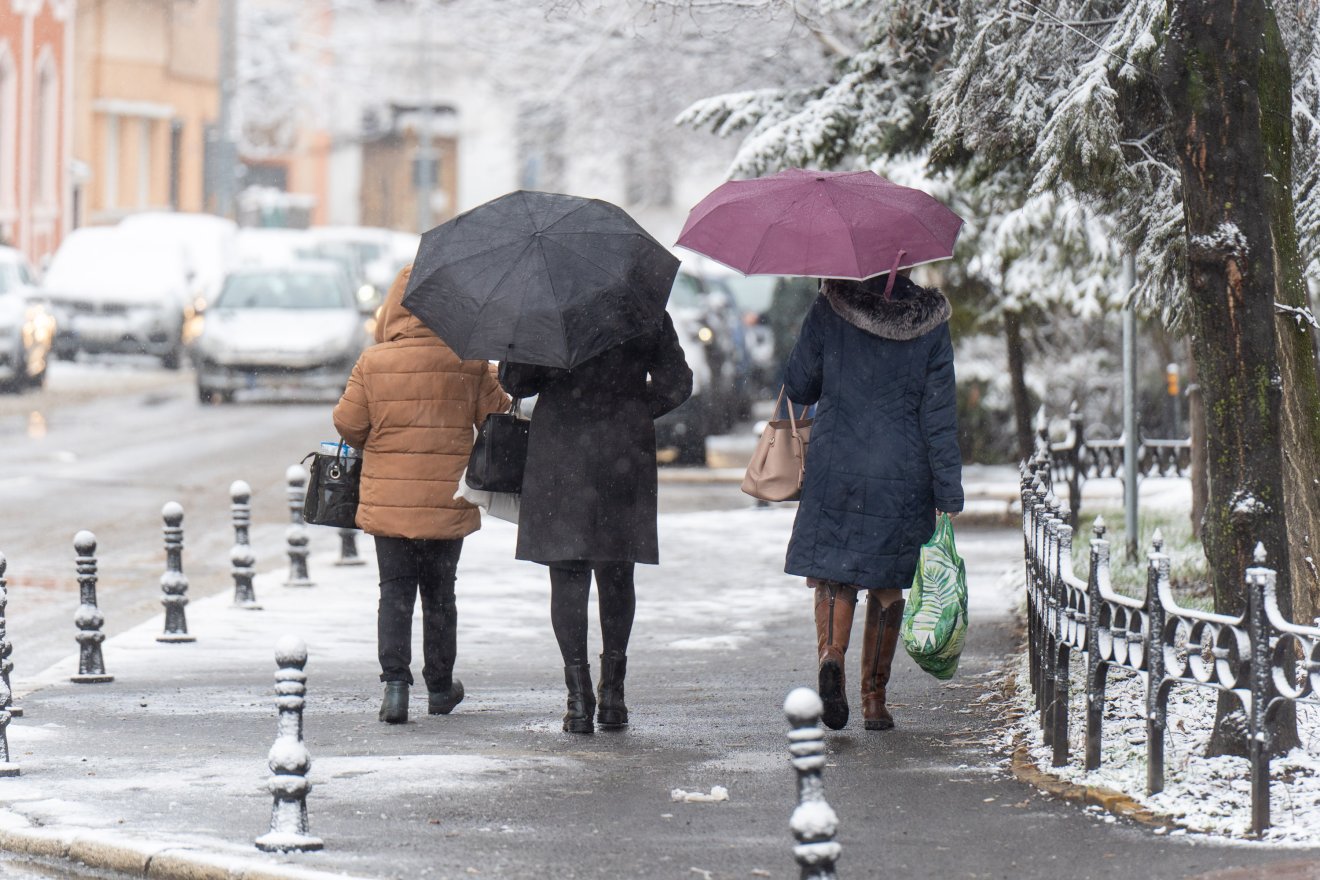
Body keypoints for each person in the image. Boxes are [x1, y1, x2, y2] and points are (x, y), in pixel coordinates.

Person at [783, 269, 963, 731]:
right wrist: (948, 490)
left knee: (834, 573)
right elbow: (939, 415)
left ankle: (830, 656)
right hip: (902, 469)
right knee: (887, 583)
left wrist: (823, 314)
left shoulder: (830, 307)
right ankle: (873, 699)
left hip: (835, 460)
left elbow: (800, 385)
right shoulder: (929, 323)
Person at [498, 313, 692, 734]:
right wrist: (633, 405)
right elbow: (677, 383)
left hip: (560, 451)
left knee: (567, 574)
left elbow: (515, 382)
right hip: (622, 449)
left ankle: (577, 699)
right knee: (617, 570)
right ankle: (612, 697)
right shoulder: (641, 303)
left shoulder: (546, 308)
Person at [333, 265, 510, 724]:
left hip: (388, 502)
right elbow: (497, 416)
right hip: (446, 499)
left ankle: (395, 688)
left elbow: (348, 425)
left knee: (393, 592)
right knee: (440, 594)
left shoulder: (373, 363)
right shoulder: (467, 363)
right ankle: (438, 687)